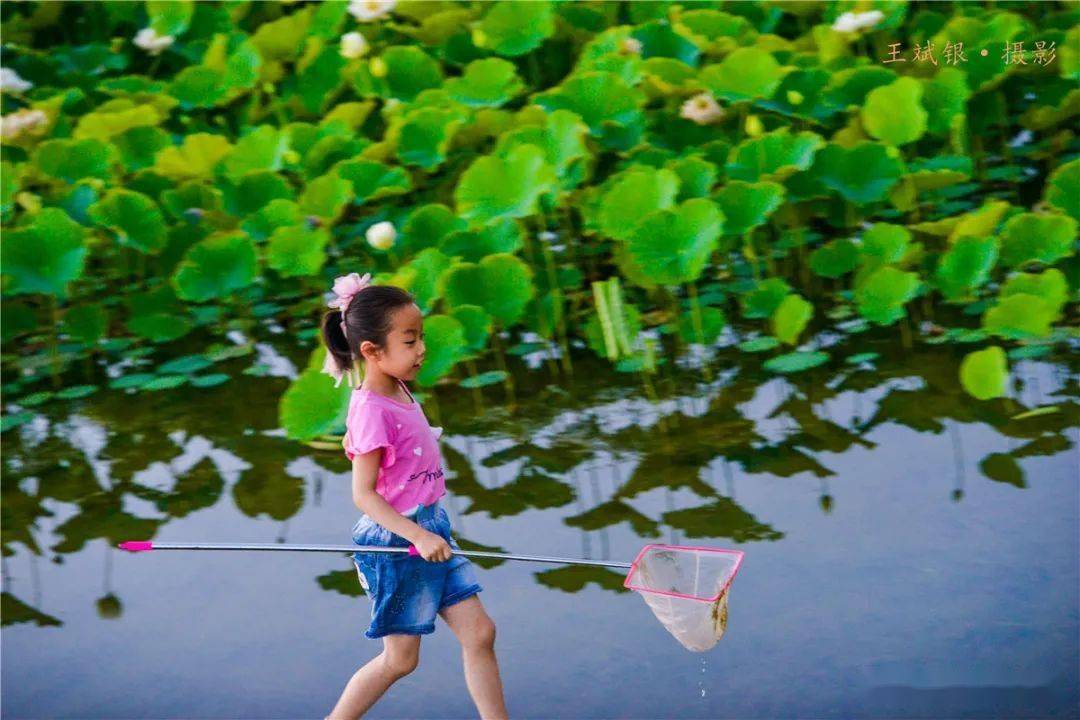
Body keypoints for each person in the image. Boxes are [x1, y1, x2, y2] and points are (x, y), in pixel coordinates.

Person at [319, 272, 509, 720]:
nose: (422, 349)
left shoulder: (399, 387)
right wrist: (415, 537)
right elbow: (364, 495)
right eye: (410, 341)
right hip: (394, 544)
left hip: (431, 530)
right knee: (401, 660)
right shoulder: (370, 410)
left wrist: (428, 534)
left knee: (480, 632)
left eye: (420, 337)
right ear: (371, 351)